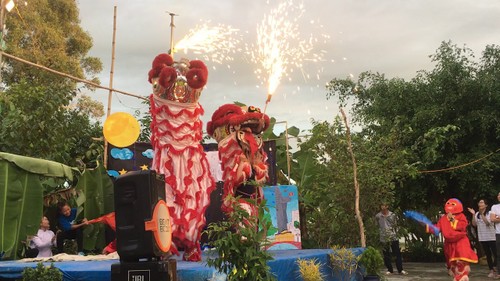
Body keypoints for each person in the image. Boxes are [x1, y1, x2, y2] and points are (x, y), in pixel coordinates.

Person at [375, 203, 408, 275]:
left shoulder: (392, 215)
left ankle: (400, 269)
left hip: (393, 236)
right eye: (381, 205)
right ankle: (390, 269)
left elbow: (396, 225)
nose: (383, 207)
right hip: (383, 237)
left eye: (384, 205)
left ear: (387, 206)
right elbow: (376, 225)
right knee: (386, 254)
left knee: (397, 253)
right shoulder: (378, 216)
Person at [468, 199, 497, 278]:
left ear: (486, 205)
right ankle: (491, 270)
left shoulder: (490, 213)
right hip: (483, 237)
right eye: (479, 202)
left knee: (496, 254)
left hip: (491, 237)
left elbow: (488, 223)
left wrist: (482, 215)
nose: (480, 204)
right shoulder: (477, 214)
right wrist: (473, 214)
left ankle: (495, 268)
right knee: (488, 254)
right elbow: (474, 224)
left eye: (481, 202)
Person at [489, 192, 500, 278]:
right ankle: (499, 273)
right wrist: (495, 218)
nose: (499, 196)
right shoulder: (495, 207)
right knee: (498, 254)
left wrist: (498, 217)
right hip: (498, 233)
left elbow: (496, 218)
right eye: (498, 195)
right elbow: (492, 219)